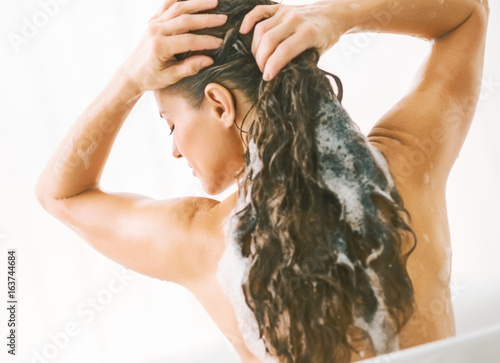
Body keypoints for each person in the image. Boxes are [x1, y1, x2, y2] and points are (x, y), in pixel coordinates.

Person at [35, 0, 489, 361]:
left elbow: (61, 194)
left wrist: (130, 78)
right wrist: (336, 16)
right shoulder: (405, 166)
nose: (174, 149)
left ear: (219, 104)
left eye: (170, 124)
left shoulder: (203, 242)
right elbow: (468, 13)